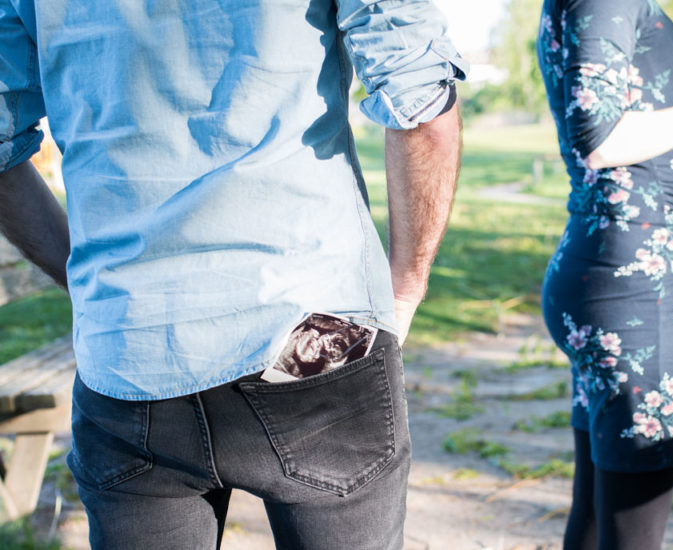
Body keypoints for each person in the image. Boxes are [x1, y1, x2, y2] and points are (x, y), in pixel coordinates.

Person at [0, 0, 467, 548]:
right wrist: (406, 286)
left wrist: (92, 287)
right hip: (311, 337)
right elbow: (423, 105)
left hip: (128, 350)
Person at [536, 0, 673, 548]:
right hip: (638, 298)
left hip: (628, 293)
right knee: (631, 533)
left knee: (597, 512)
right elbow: (602, 138)